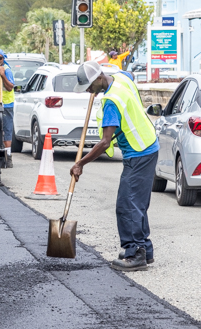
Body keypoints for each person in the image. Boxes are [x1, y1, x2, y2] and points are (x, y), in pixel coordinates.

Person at [69, 61, 159, 272]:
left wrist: (80, 163)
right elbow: (130, 75)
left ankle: (135, 253)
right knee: (137, 202)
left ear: (100, 78)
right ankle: (145, 249)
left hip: (139, 152)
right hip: (148, 146)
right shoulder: (121, 78)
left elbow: (105, 142)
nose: (89, 91)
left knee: (127, 204)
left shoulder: (111, 101)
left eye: (90, 86)